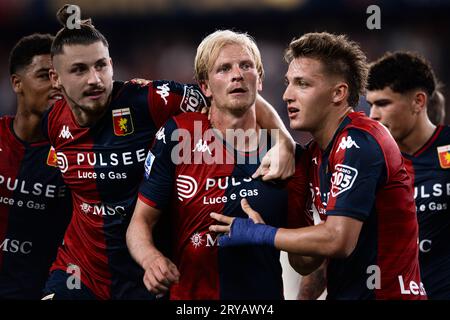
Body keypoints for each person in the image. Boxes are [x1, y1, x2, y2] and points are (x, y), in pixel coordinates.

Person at [41, 5, 297, 300]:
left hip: (151, 275)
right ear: (55, 79)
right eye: (79, 70)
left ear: (112, 64)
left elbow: (235, 96)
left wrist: (283, 140)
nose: (95, 79)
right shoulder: (50, 122)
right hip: (80, 272)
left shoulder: (151, 100)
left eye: (101, 66)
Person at [210, 32, 426, 300]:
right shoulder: (314, 155)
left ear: (338, 93)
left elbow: (338, 240)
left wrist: (262, 234)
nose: (287, 95)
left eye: (302, 84)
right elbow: (306, 262)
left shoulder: (361, 142)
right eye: (288, 83)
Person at [126, 30, 309, 300]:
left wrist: (268, 236)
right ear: (205, 87)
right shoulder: (178, 135)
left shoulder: (287, 156)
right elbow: (140, 222)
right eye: (224, 68)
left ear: (259, 80)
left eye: (246, 66)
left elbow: (304, 261)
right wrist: (151, 259)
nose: (237, 74)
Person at [367, 52, 450, 299]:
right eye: (370, 104)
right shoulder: (372, 165)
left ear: (418, 101)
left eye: (382, 103)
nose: (373, 115)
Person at [0, 33, 71, 299]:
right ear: (17, 83)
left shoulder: (75, 156)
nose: (56, 86)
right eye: (44, 76)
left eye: (60, 77)